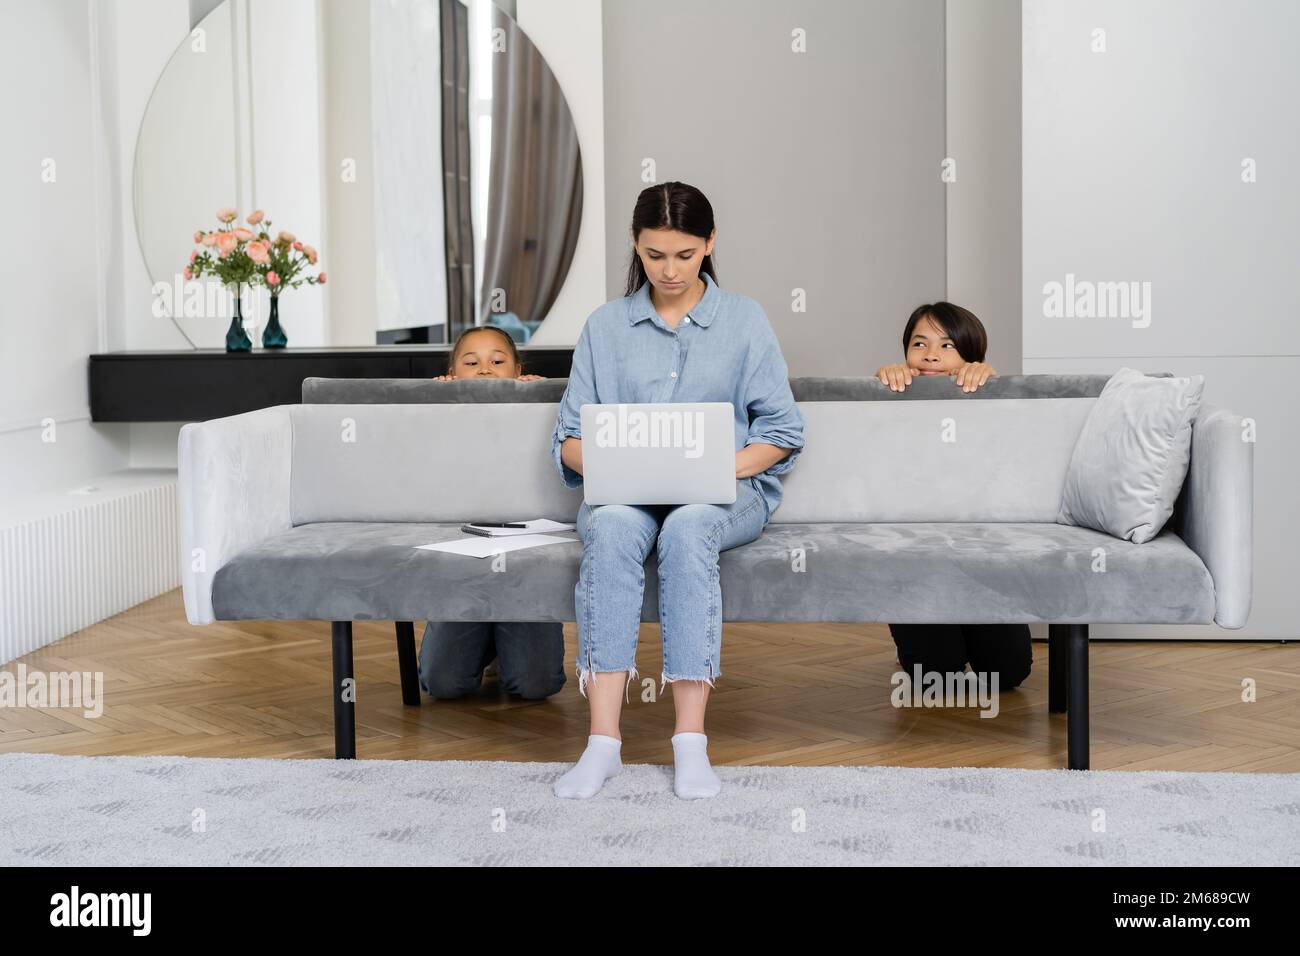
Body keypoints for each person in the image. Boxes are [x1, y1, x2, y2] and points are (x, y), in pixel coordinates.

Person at [550, 181, 804, 800]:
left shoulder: (744, 319)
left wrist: (722, 466)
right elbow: (568, 440)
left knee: (689, 526)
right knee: (609, 528)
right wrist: (620, 463)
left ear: (709, 244)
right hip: (627, 496)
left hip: (725, 491)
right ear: (635, 248)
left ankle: (691, 742)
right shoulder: (605, 327)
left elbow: (783, 431)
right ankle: (602, 744)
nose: (669, 270)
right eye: (655, 254)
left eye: (685, 255)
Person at [874, 302, 1033, 692]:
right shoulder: (896, 394)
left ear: (971, 355)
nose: (931, 355)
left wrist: (991, 383)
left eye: (947, 346)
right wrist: (882, 386)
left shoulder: (987, 394)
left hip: (982, 553)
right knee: (936, 676)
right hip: (917, 554)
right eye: (919, 344)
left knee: (1008, 673)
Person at [418, 325, 566, 701]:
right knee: (443, 684)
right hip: (461, 555)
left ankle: (508, 644)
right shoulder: (436, 413)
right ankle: (484, 642)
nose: (485, 369)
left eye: (497, 361)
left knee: (536, 685)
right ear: (452, 374)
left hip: (525, 555)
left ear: (518, 371)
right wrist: (434, 407)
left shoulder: (538, 405)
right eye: (471, 362)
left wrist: (542, 401)